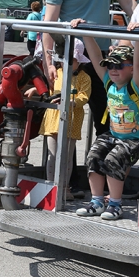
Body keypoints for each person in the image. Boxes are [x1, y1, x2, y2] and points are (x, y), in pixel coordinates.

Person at [42, 0, 136, 137]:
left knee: (106, 115)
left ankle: (102, 168)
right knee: (65, 119)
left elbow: (127, 2)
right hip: (70, 56)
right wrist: (48, 63)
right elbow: (49, 23)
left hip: (100, 55)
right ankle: (68, 171)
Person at [72, 26, 139, 221]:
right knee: (94, 155)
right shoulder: (108, 82)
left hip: (135, 140)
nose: (113, 70)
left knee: (113, 160)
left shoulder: (137, 86)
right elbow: (97, 56)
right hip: (114, 135)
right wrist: (86, 33)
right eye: (111, 66)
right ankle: (97, 201)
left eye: (119, 66)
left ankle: (115, 204)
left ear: (131, 69)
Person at [25, 39, 92, 198]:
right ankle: (50, 187)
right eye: (64, 59)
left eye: (72, 60)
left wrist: (72, 102)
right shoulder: (57, 73)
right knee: (52, 155)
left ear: (79, 61)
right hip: (54, 116)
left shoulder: (84, 78)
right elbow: (50, 89)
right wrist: (36, 89)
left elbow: (84, 96)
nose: (67, 63)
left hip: (72, 118)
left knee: (66, 157)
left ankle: (64, 188)